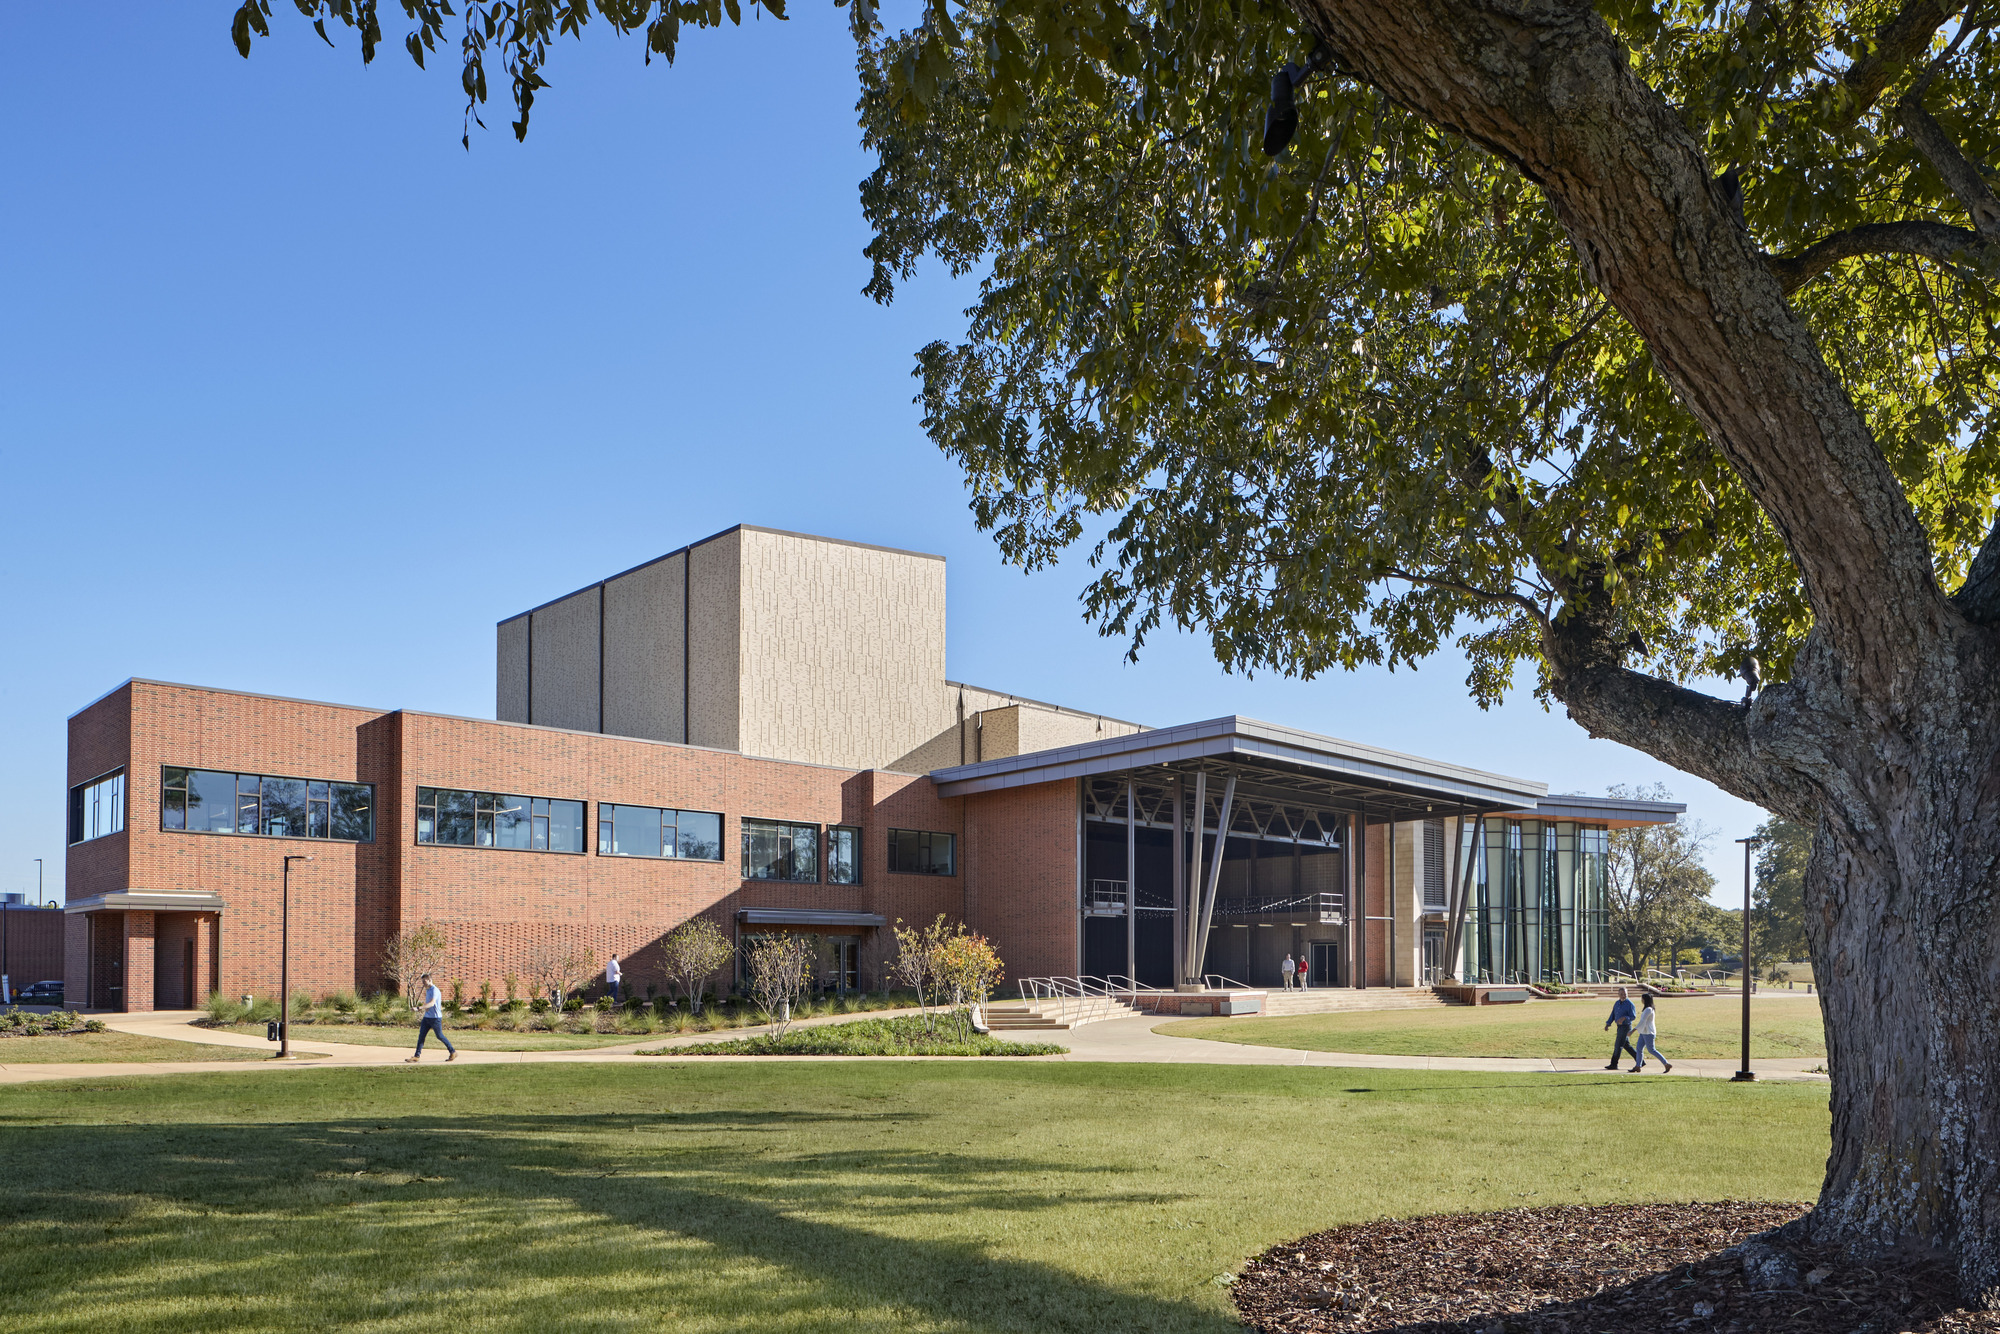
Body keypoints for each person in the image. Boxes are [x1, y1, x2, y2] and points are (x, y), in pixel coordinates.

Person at [406, 972, 456, 1063]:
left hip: (435, 1018)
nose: (423, 984)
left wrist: (418, 1008)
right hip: (427, 1018)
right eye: (422, 982)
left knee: (439, 1036)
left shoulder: (435, 990)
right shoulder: (428, 990)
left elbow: (432, 1003)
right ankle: (416, 1056)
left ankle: (452, 1051)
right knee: (421, 1036)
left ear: (430, 980)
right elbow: (428, 1003)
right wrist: (425, 1009)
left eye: (425, 981)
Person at [1631, 994, 1673, 1073]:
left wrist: (1633, 1030)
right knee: (1639, 1048)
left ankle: (1666, 1064)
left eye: (1642, 999)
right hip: (1644, 1032)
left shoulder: (1649, 1010)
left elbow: (1642, 1021)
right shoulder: (1647, 1009)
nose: (1641, 1000)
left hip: (1649, 1033)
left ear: (1645, 1000)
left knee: (1651, 1050)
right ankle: (1637, 1066)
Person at [1604, 986, 1638, 1070]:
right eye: (1622, 994)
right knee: (1626, 1045)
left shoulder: (1630, 1004)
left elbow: (1633, 1016)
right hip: (1619, 1027)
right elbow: (1613, 1014)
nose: (1623, 996)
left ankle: (1614, 1064)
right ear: (1618, 994)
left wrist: (1625, 1018)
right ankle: (1640, 1060)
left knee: (1618, 1045)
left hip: (1626, 1026)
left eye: (1625, 994)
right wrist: (1608, 1024)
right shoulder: (1617, 1003)